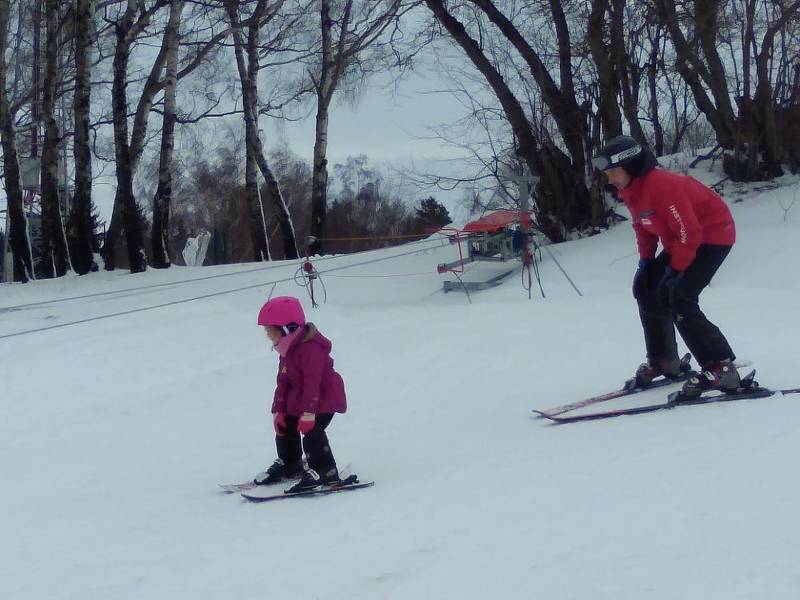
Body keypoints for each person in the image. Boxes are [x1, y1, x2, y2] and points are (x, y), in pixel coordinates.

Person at [592, 135, 741, 398]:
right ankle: (664, 361)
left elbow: (690, 232)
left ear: (631, 165)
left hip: (713, 237)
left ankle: (721, 367)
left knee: (679, 295)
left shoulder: (663, 186)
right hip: (682, 241)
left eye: (613, 172)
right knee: (647, 288)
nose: (610, 179)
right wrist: (646, 262)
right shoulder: (632, 189)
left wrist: (677, 270)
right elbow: (643, 227)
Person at [253, 295, 347, 491]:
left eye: (271, 331)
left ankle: (326, 470)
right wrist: (278, 411)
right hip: (303, 401)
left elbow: (313, 384)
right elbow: (283, 383)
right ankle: (291, 462)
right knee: (286, 423)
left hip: (322, 400)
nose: (268, 336)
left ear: (288, 329)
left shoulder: (310, 349)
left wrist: (308, 413)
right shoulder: (287, 350)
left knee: (312, 432)